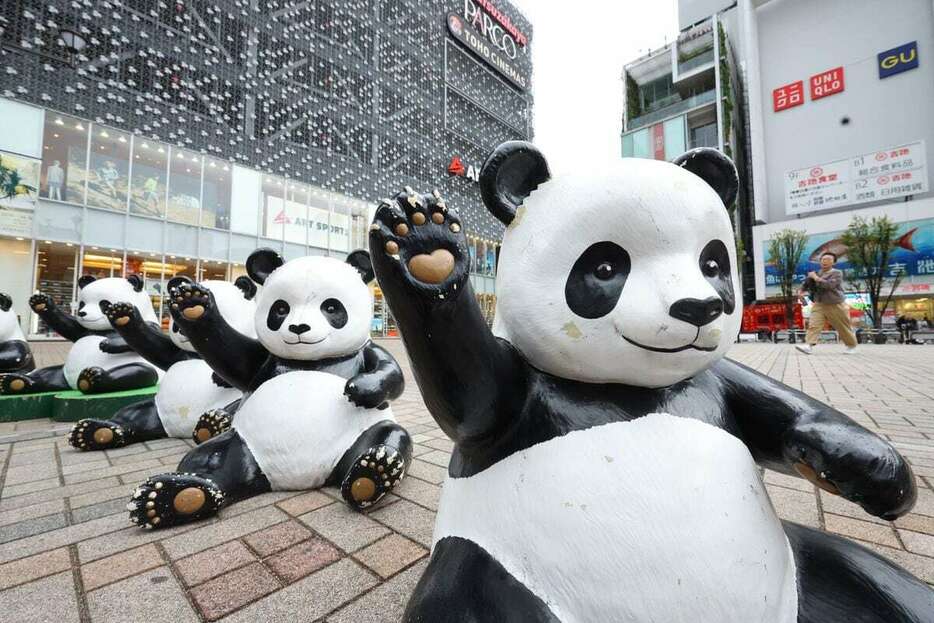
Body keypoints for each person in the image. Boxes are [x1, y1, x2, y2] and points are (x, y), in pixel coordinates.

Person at [795, 252, 858, 354]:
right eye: (823, 259)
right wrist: (800, 292)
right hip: (819, 303)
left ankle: (851, 345)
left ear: (833, 262)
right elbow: (805, 285)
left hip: (835, 303)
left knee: (842, 326)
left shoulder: (837, 273)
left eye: (828, 259)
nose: (825, 261)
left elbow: (829, 286)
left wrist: (815, 278)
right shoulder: (816, 273)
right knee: (813, 324)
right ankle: (808, 345)